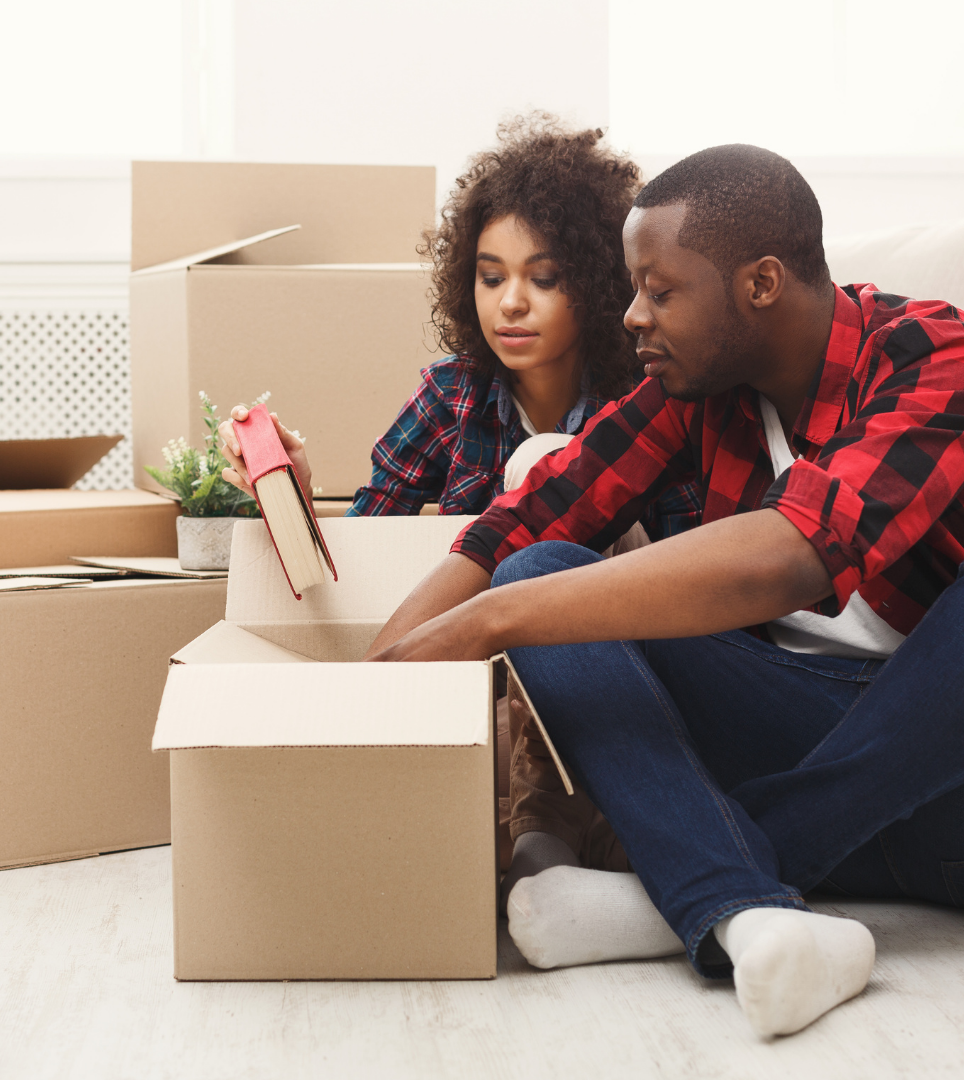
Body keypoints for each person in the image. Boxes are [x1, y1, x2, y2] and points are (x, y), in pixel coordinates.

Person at [362, 144, 964, 1039]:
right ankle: (748, 909)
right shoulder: (700, 386)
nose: (634, 315)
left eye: (660, 290)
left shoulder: (934, 355)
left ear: (760, 284)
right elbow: (536, 512)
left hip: (937, 776)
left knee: (524, 601)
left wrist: (489, 622)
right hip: (804, 747)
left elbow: (793, 553)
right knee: (544, 575)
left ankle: (688, 890)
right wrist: (379, 670)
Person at [219, 116, 701, 876]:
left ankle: (555, 820)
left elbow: (687, 557)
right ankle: (550, 831)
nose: (511, 302)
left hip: (617, 663)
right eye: (491, 275)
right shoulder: (453, 397)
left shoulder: (645, 398)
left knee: (545, 469)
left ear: (603, 280)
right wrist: (298, 490)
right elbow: (374, 541)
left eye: (544, 278)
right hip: (484, 678)